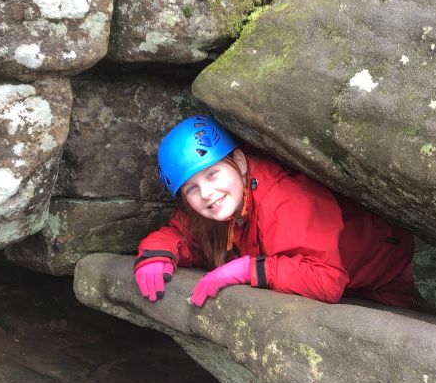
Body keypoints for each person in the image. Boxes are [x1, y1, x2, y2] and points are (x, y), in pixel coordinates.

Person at [134, 115, 414, 309]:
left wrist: (249, 269)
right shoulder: (218, 206)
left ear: (240, 162)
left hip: (385, 273)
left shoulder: (281, 198)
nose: (206, 193)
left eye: (212, 173)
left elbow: (327, 280)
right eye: (191, 188)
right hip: (351, 279)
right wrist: (155, 255)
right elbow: (180, 233)